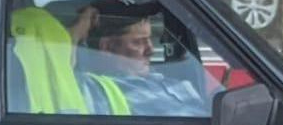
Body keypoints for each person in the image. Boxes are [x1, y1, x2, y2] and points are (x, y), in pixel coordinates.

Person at [69, 0, 211, 117]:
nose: (151, 50)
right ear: (107, 47)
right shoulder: (96, 91)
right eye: (138, 42)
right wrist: (80, 28)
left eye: (150, 39)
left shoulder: (166, 80)